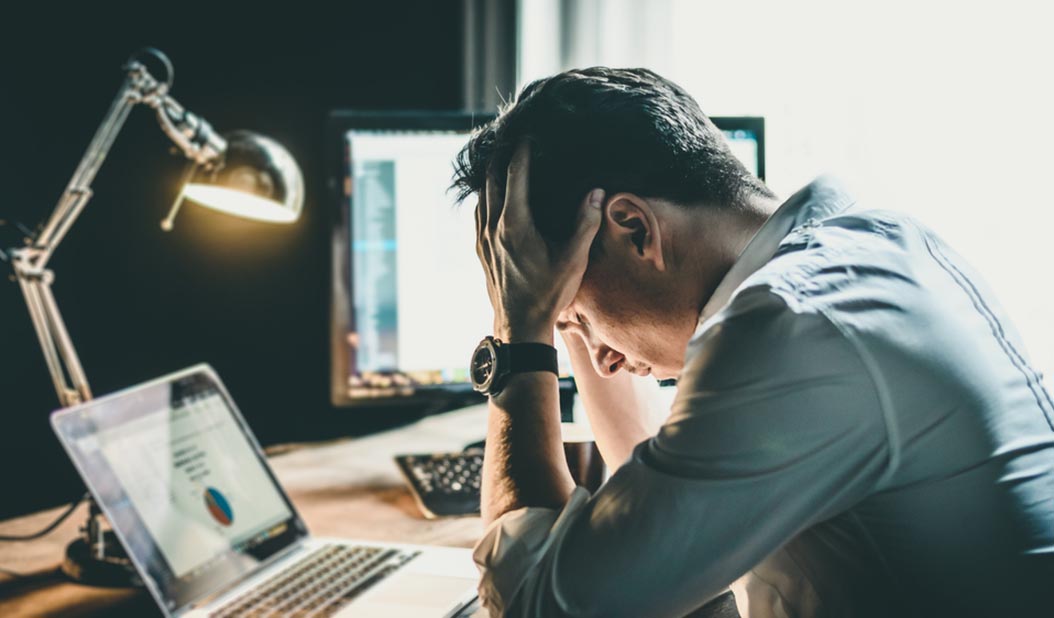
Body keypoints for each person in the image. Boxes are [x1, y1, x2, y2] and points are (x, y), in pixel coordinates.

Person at [451, 67, 1054, 617]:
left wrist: (520, 330)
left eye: (575, 316)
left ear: (636, 229)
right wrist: (564, 310)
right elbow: (659, 520)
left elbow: (537, 606)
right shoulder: (872, 244)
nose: (602, 359)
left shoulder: (790, 329)